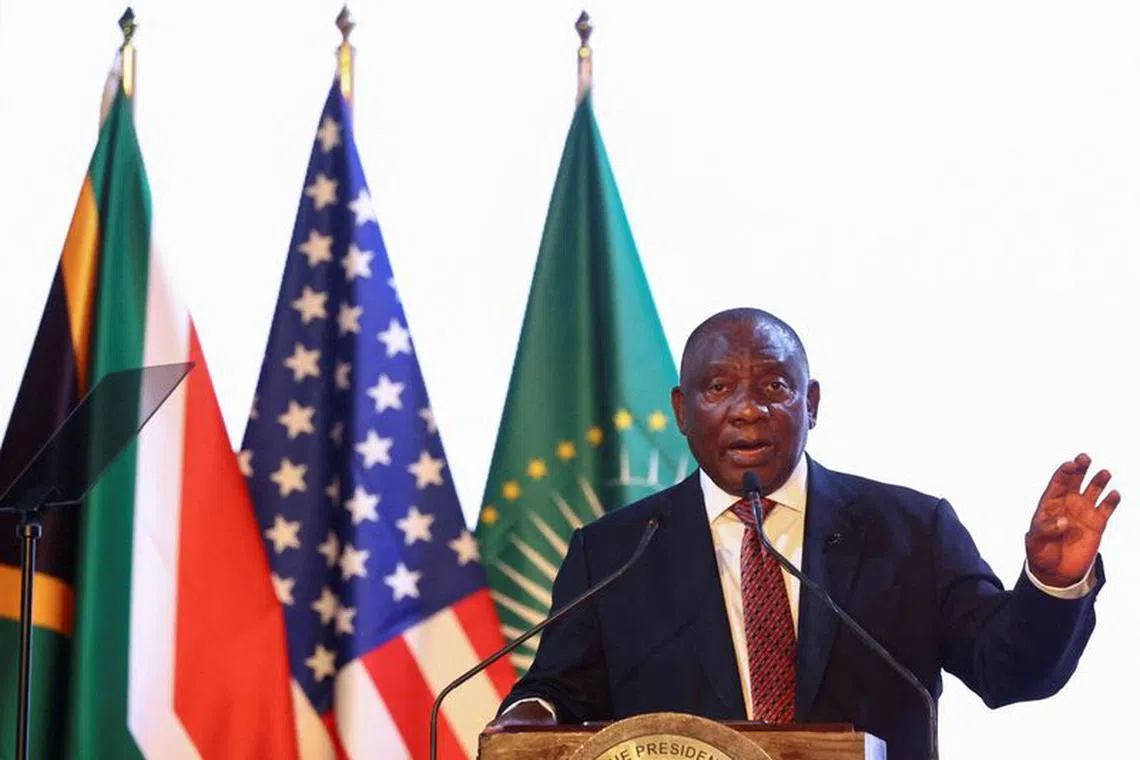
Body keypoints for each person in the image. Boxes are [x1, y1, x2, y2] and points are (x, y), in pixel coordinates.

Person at [489, 307, 1120, 760]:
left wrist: (1051, 583)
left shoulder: (912, 531)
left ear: (810, 403)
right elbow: (556, 692)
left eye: (774, 386)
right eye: (718, 387)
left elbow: (1009, 673)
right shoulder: (615, 552)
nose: (747, 409)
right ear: (682, 410)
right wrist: (528, 715)